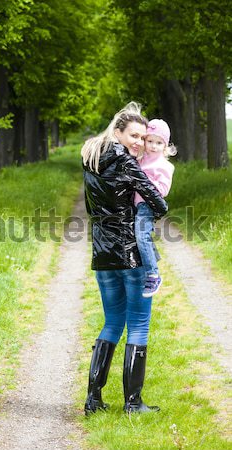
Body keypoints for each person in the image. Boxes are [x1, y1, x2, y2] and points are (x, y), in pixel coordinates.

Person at [81, 102, 168, 416]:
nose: (139, 143)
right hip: (131, 253)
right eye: (134, 135)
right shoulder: (126, 162)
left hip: (102, 253)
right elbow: (159, 203)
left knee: (113, 322)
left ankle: (93, 400)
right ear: (117, 131)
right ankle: (133, 404)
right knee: (140, 325)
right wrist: (148, 211)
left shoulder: (90, 158)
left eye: (143, 138)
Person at [133, 119, 176, 298]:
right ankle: (146, 266)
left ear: (165, 145)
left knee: (141, 236)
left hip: (146, 206)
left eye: (159, 143)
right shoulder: (140, 160)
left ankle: (153, 274)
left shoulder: (165, 166)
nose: (153, 146)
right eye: (150, 141)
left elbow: (163, 190)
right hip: (134, 205)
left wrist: (144, 182)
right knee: (140, 238)